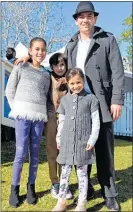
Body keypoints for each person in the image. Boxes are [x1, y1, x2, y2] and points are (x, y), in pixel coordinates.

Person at [64, 2, 125, 211]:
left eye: (89, 15)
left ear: (95, 19)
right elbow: (63, 72)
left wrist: (117, 100)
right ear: (76, 20)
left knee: (104, 151)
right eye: (81, 16)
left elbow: (117, 72)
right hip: (78, 105)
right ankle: (86, 188)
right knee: (80, 150)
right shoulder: (71, 45)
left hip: (102, 103)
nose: (85, 20)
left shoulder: (107, 40)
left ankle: (109, 194)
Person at [5, 37, 50, 207]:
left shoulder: (46, 74)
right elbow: (9, 90)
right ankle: (14, 189)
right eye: (37, 49)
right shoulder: (21, 67)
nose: (40, 52)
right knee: (20, 153)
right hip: (22, 116)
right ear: (30, 51)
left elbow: (45, 96)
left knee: (35, 154)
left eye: (43, 49)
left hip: (38, 117)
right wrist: (16, 109)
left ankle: (31, 187)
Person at [52, 68, 100, 211]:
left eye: (78, 82)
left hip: (83, 143)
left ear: (83, 81)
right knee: (65, 173)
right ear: (67, 83)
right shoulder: (65, 100)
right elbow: (61, 120)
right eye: (72, 83)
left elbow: (96, 122)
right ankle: (61, 201)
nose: (75, 86)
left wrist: (92, 140)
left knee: (82, 174)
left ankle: (82, 202)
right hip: (66, 142)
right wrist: (59, 138)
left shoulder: (91, 99)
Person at [45, 53, 72, 199]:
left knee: (64, 151)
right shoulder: (46, 76)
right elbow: (33, 61)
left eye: (62, 64)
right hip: (50, 117)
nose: (59, 67)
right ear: (51, 67)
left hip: (66, 119)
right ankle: (54, 182)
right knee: (52, 151)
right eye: (56, 65)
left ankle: (64, 182)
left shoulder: (71, 78)